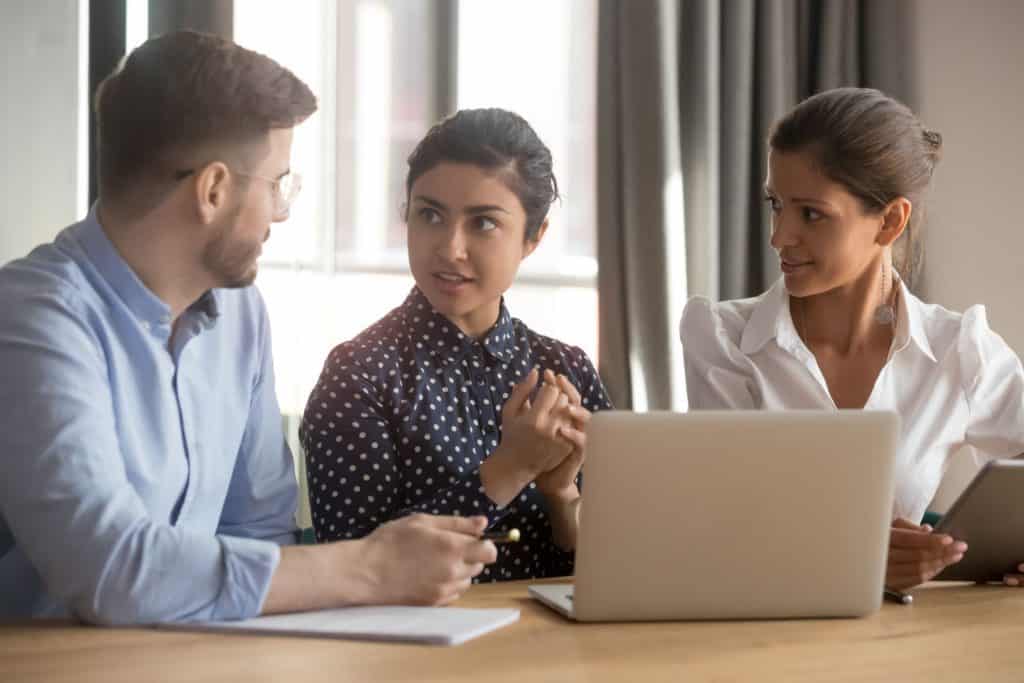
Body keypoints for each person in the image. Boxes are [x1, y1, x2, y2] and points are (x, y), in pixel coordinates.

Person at [0, 31, 495, 624]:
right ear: (213, 189)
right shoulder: (33, 317)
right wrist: (368, 567)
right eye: (277, 184)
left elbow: (258, 530)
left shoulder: (240, 313)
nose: (281, 213)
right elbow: (109, 568)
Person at [679, 87, 1024, 591]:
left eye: (810, 214)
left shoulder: (959, 350)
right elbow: (718, 527)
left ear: (889, 221)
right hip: (757, 637)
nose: (779, 236)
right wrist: (850, 559)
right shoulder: (723, 340)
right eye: (776, 205)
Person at [301, 108, 612, 581]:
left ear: (533, 238)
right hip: (410, 649)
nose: (449, 248)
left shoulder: (567, 368)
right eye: (430, 215)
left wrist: (562, 495)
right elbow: (349, 568)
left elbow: (620, 567)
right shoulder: (359, 373)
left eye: (483, 223)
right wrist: (509, 468)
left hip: (558, 648)